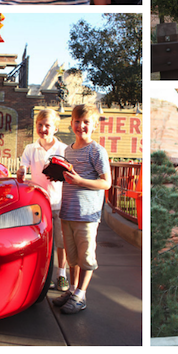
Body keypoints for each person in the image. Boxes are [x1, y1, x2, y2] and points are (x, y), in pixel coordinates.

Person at [51, 104, 111, 314]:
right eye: (77, 121)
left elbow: (106, 183)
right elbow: (71, 178)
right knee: (72, 257)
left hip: (86, 214)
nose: (81, 126)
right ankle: (73, 291)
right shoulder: (68, 150)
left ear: (94, 125)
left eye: (86, 122)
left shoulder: (96, 151)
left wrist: (79, 181)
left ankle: (81, 295)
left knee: (86, 257)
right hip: (68, 211)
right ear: (71, 123)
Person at [17, 108, 69, 292]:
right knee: (39, 241)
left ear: (55, 128)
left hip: (59, 202)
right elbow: (23, 168)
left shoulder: (64, 149)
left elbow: (70, 173)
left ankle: (61, 274)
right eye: (40, 125)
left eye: (47, 125)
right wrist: (21, 171)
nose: (43, 129)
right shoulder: (30, 148)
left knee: (61, 242)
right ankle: (41, 275)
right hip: (38, 203)